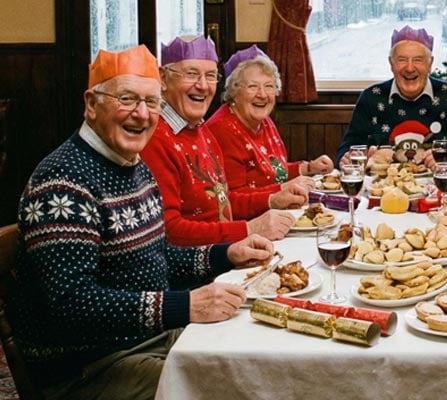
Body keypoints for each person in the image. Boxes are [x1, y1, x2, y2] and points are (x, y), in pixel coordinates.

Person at [9, 45, 274, 400]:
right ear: (91, 104)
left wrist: (228, 253)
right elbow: (70, 302)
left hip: (148, 339)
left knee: (255, 351)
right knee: (232, 388)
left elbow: (156, 253)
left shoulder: (133, 166)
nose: (142, 114)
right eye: (127, 99)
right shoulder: (63, 182)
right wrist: (184, 305)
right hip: (89, 367)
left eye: (151, 103)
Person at [141, 36, 306, 246]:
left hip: (227, 252)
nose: (202, 85)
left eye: (210, 76)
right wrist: (249, 229)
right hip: (199, 270)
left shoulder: (201, 131)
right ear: (163, 79)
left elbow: (224, 200)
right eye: (191, 74)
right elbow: (168, 232)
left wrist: (272, 198)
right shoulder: (155, 139)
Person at [335, 25, 447, 171]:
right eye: (402, 60)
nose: (410, 68)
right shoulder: (371, 97)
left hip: (436, 187)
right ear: (391, 64)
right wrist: (347, 158)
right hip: (381, 189)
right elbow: (346, 150)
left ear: (430, 64)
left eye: (418, 60)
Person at [206, 45, 333, 193]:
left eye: (269, 86)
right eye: (253, 86)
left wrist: (309, 167)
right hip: (250, 216)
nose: (262, 94)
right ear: (233, 92)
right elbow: (231, 198)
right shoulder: (222, 130)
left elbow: (272, 173)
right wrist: (282, 190)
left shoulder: (264, 121)